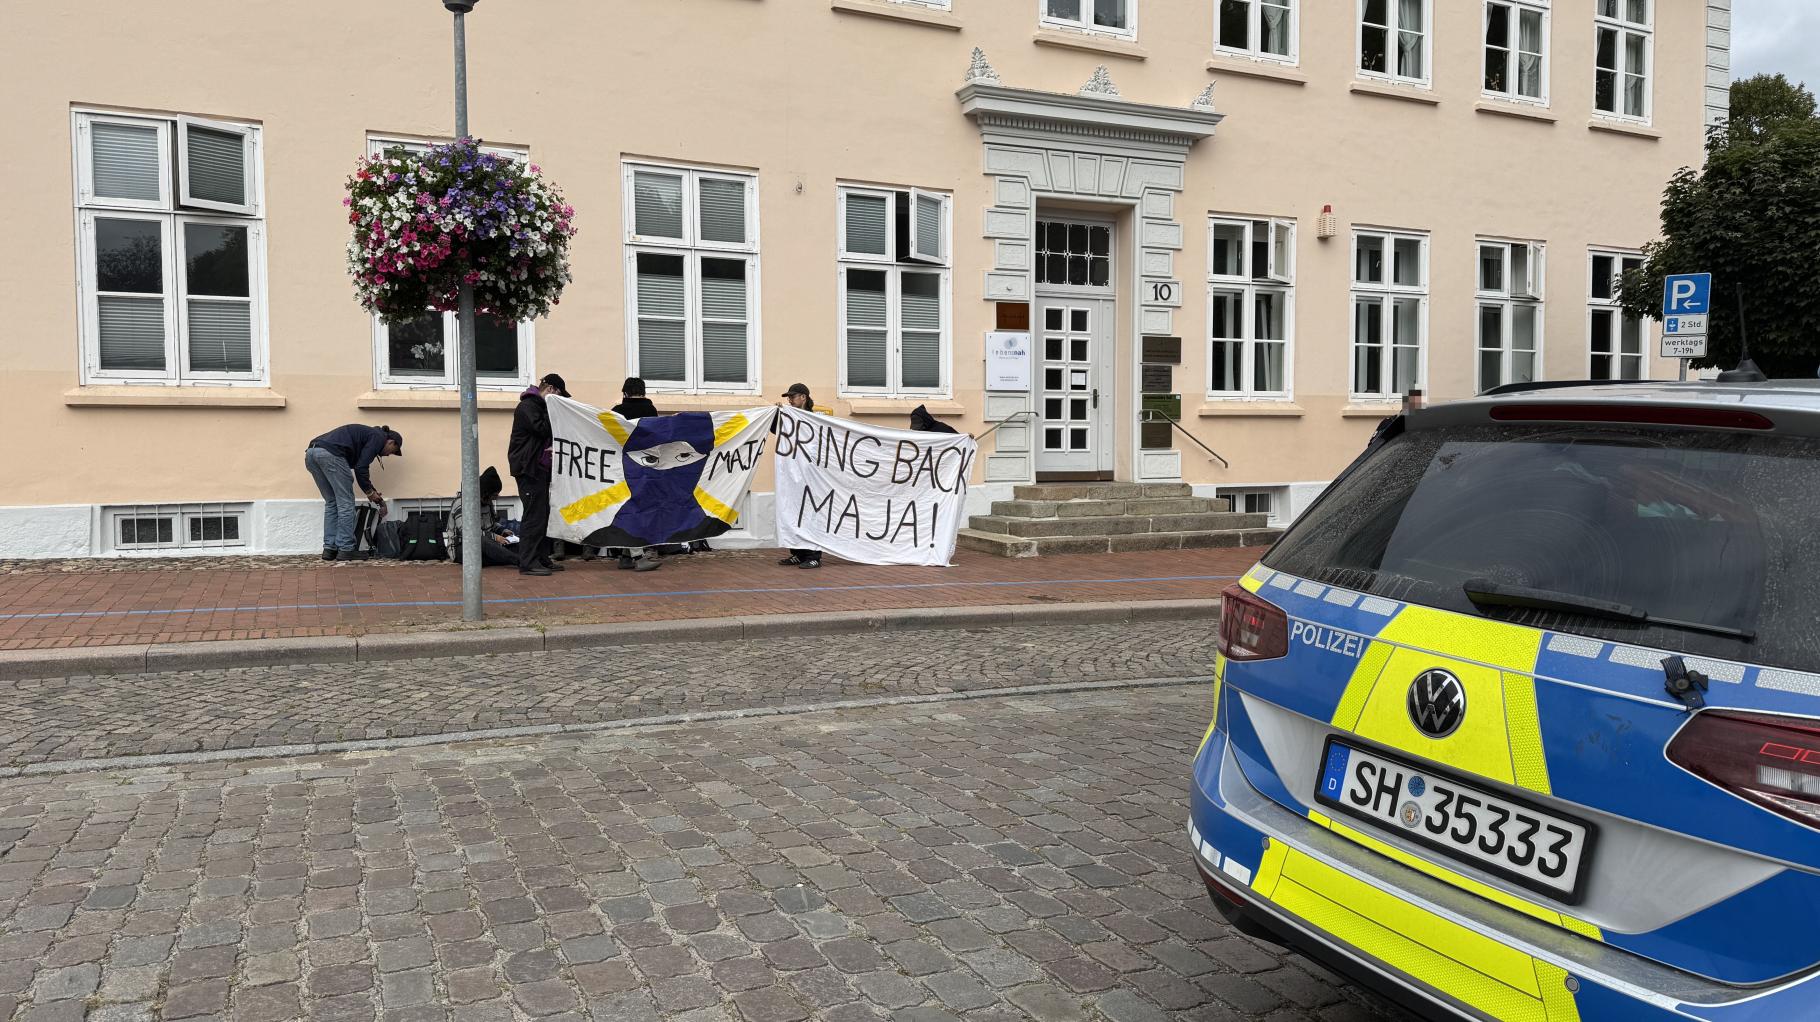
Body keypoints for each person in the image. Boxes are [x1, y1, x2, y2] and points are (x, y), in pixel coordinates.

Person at [305, 424, 402, 561]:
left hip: (312, 453)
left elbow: (359, 465)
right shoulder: (378, 437)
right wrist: (369, 491)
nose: (388, 455)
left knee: (332, 503)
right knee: (346, 503)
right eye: (392, 451)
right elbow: (361, 467)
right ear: (391, 441)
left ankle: (330, 549)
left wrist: (370, 490)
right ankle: (346, 549)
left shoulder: (368, 435)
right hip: (331, 454)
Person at [509, 373, 569, 577]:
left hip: (539, 468)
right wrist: (555, 411)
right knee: (533, 516)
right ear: (550, 389)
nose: (558, 400)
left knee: (542, 516)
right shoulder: (528, 406)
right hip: (529, 469)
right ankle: (528, 561)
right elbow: (542, 428)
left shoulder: (538, 407)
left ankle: (541, 558)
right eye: (559, 395)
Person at [607, 377, 663, 571]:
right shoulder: (651, 412)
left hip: (623, 468)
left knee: (628, 508)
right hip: (647, 467)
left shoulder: (618, 412)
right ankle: (640, 555)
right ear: (643, 392)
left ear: (625, 392)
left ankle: (626, 555)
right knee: (644, 510)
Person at [776, 383, 822, 570]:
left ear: (803, 397)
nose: (790, 401)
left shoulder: (815, 418)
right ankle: (797, 552)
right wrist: (777, 414)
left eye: (793, 397)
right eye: (788, 398)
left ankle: (813, 556)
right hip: (792, 475)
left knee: (809, 514)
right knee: (792, 511)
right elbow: (778, 431)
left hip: (809, 475)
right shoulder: (789, 416)